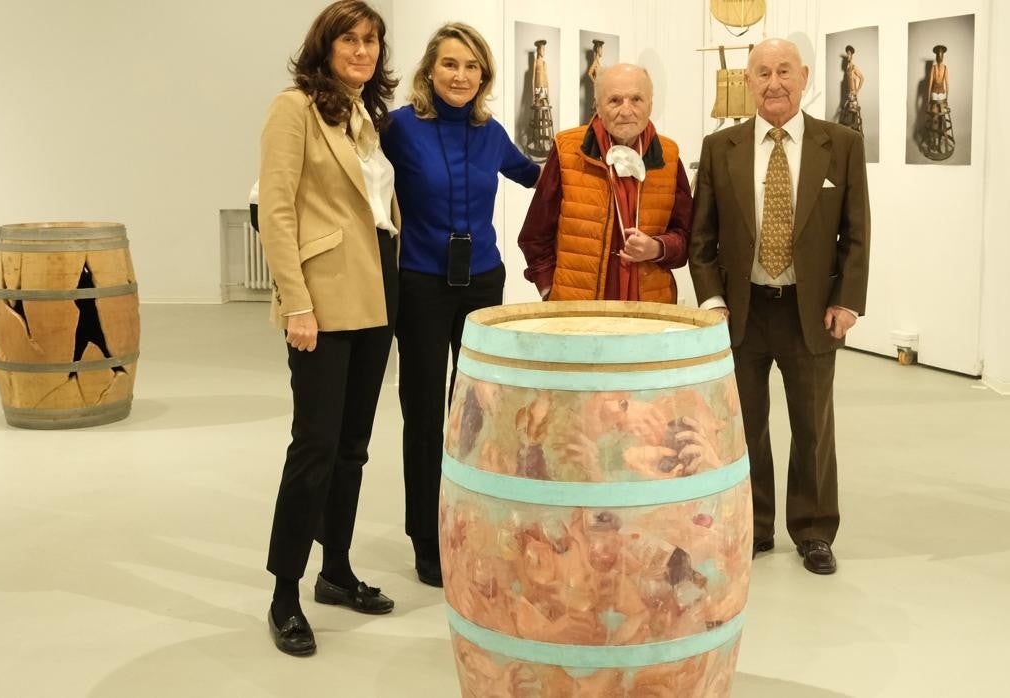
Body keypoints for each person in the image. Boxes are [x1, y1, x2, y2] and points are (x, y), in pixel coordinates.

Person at [688, 38, 870, 576]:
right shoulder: (721, 148)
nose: (774, 83)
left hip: (809, 312)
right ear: (748, 81)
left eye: (784, 71)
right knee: (746, 426)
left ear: (804, 76)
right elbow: (702, 237)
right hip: (742, 312)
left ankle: (814, 530)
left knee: (813, 427)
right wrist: (713, 299)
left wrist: (847, 301)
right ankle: (755, 524)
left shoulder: (840, 144)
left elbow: (856, 233)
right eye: (763, 72)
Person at [258, 0, 400, 656]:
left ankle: (335, 573)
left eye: (372, 40)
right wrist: (296, 303)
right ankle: (285, 592)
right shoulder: (295, 108)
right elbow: (277, 209)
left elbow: (377, 208)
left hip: (375, 292)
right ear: (327, 44)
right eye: (351, 39)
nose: (363, 51)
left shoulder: (369, 114)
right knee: (313, 446)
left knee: (353, 447)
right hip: (322, 296)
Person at [381, 22, 539, 588]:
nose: (461, 76)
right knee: (423, 414)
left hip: (482, 283)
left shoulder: (490, 131)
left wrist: (597, 156)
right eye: (451, 64)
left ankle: (467, 523)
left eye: (472, 67)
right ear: (429, 70)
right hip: (421, 283)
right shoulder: (397, 128)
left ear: (484, 76)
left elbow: (536, 177)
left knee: (473, 411)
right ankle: (426, 537)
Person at [518, 64, 693, 302]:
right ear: (598, 107)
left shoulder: (669, 156)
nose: (626, 110)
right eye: (614, 100)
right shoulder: (567, 150)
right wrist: (549, 289)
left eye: (636, 99)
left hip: (649, 310)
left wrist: (658, 247)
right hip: (578, 311)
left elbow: (687, 237)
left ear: (650, 105)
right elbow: (535, 235)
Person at [837, 45, 864, 134]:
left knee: (854, 116)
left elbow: (862, 78)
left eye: (849, 54)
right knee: (847, 116)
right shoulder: (848, 69)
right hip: (848, 95)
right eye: (847, 54)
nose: (848, 56)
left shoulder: (853, 68)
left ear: (852, 56)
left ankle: (857, 136)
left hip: (853, 96)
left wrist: (857, 90)